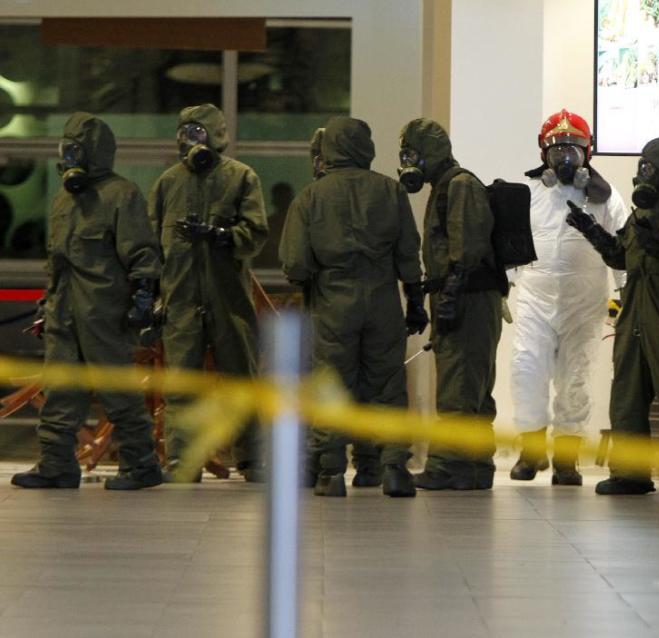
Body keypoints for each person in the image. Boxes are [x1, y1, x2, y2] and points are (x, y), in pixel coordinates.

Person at [11, 112, 164, 490]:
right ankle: (57, 464)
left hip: (104, 310)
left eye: (78, 149)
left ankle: (141, 466)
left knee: (117, 389)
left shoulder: (121, 195)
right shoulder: (64, 199)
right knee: (61, 387)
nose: (70, 156)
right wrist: (48, 305)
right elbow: (58, 260)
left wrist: (143, 301)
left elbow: (142, 254)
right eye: (67, 148)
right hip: (65, 310)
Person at [280, 116, 426, 498]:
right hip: (382, 300)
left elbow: (295, 263)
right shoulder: (391, 191)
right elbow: (409, 253)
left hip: (332, 302)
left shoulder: (311, 197)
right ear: (367, 148)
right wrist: (416, 302)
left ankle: (331, 473)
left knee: (331, 384)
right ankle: (392, 468)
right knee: (387, 383)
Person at [566, 137, 659, 495]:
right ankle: (630, 473)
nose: (642, 173)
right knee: (627, 393)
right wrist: (592, 230)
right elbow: (621, 256)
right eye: (641, 166)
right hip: (634, 315)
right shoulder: (641, 212)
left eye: (650, 167)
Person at [148, 103, 268, 482]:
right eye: (185, 133)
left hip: (228, 297)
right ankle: (183, 462)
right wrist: (150, 296)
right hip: (181, 299)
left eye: (198, 132)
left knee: (240, 380)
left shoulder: (241, 178)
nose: (190, 141)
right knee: (181, 384)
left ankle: (250, 459)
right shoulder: (168, 183)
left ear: (216, 134)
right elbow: (152, 247)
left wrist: (220, 236)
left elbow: (255, 235)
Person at [509, 109, 629, 485]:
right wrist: (502, 286)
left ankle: (566, 459)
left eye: (572, 150)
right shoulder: (527, 194)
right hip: (534, 299)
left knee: (576, 377)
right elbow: (510, 246)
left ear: (587, 153)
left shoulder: (607, 200)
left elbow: (624, 247)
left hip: (585, 303)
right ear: (542, 153)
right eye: (556, 149)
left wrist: (627, 291)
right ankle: (530, 452)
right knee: (527, 370)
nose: (564, 158)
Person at [398, 117, 502, 490]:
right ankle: (473, 466)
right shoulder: (446, 186)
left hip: (469, 297)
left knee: (459, 384)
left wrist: (452, 294)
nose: (408, 161)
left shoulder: (459, 186)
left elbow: (467, 246)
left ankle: (449, 466)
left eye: (412, 153)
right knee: (468, 383)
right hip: (463, 295)